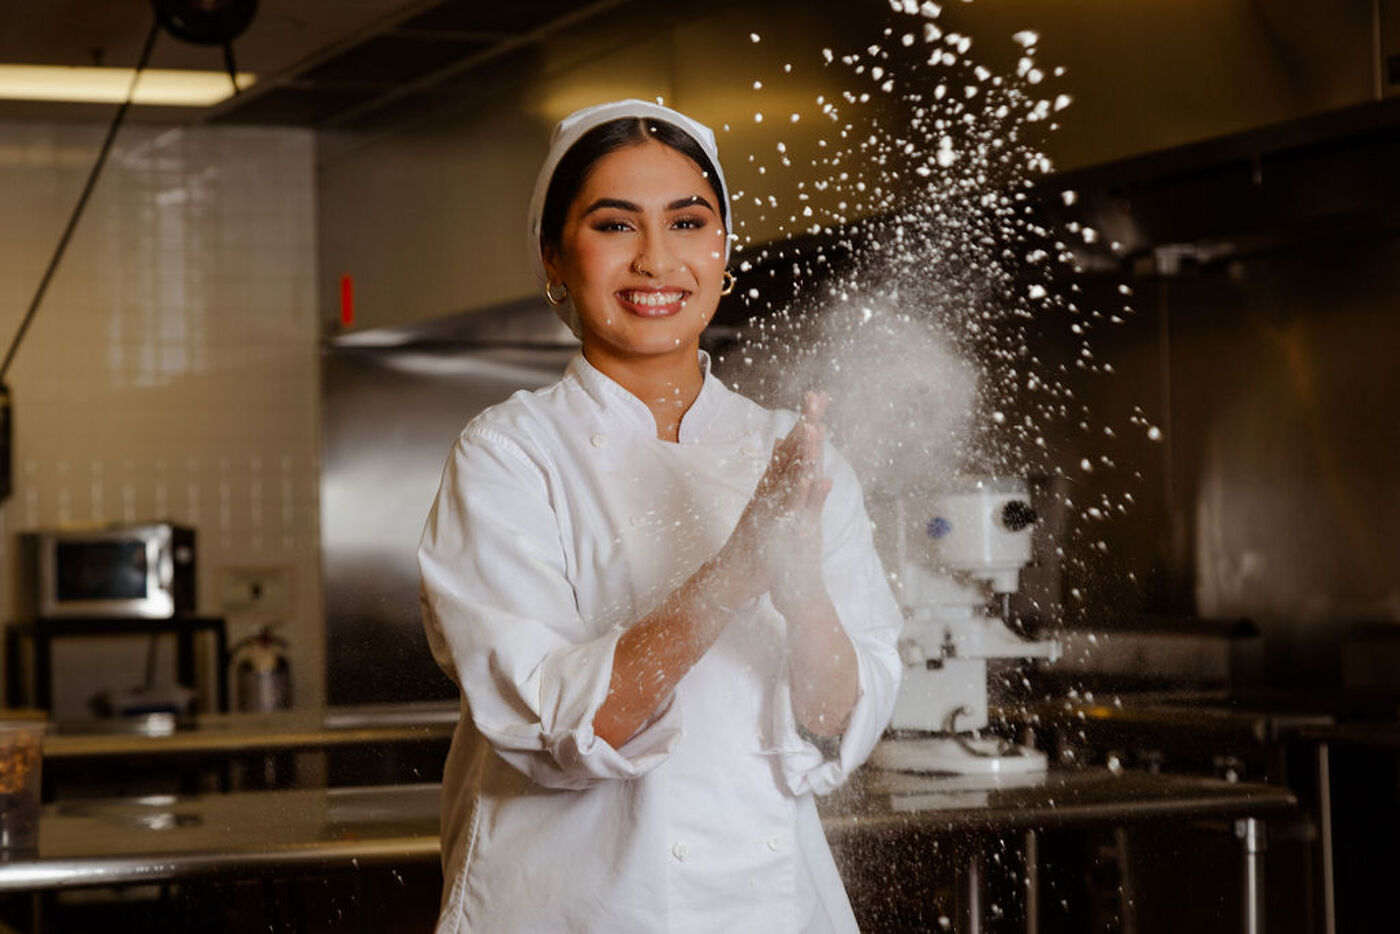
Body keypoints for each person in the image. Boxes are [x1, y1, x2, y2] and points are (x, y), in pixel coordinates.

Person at [419, 99, 902, 933]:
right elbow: (561, 731)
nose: (656, 260)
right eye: (615, 225)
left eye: (687, 221)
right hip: (573, 910)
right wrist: (737, 573)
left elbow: (833, 729)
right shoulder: (509, 455)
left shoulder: (795, 453)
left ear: (721, 252)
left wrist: (802, 591)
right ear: (554, 260)